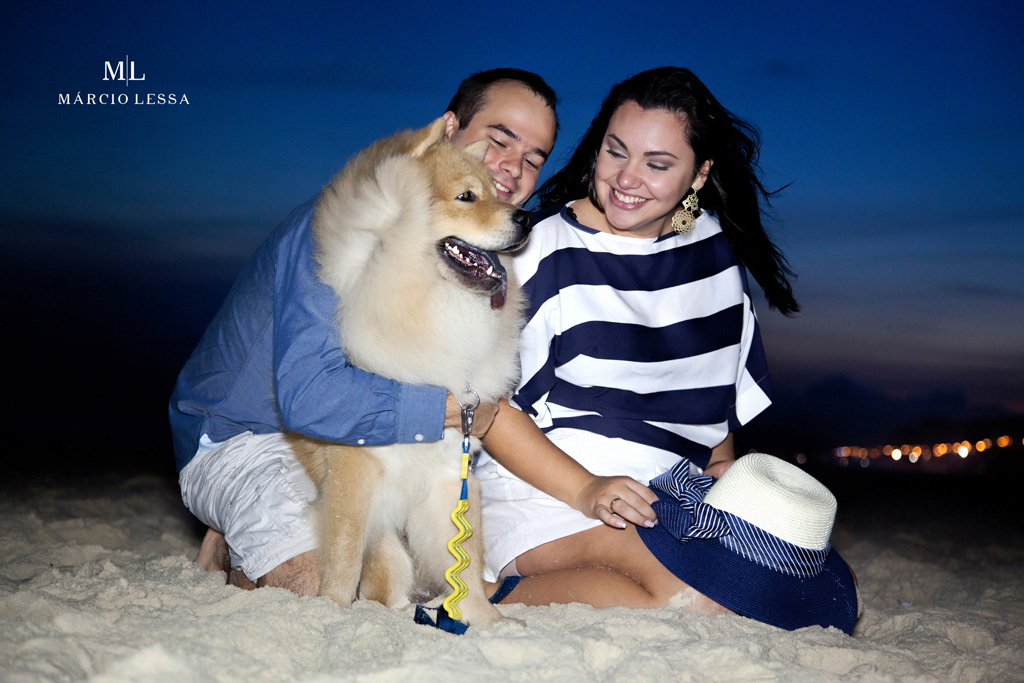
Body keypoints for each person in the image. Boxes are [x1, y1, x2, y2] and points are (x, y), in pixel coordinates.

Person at [168, 68, 559, 596]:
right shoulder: (348, 225)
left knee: (421, 574)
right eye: (499, 140)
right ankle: (239, 532)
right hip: (243, 433)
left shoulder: (466, 250)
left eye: (533, 158)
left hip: (351, 447)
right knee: (318, 581)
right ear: (446, 131)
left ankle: (240, 532)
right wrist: (451, 408)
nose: (512, 166)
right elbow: (310, 397)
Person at [476, 66, 804, 614]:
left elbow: (712, 408)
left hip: (670, 502)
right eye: (616, 151)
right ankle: (490, 593)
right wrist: (587, 489)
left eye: (657, 165)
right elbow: (487, 409)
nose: (627, 179)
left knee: (796, 595)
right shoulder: (543, 251)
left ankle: (573, 596)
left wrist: (722, 474)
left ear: (698, 177)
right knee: (699, 597)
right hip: (553, 493)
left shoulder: (715, 256)